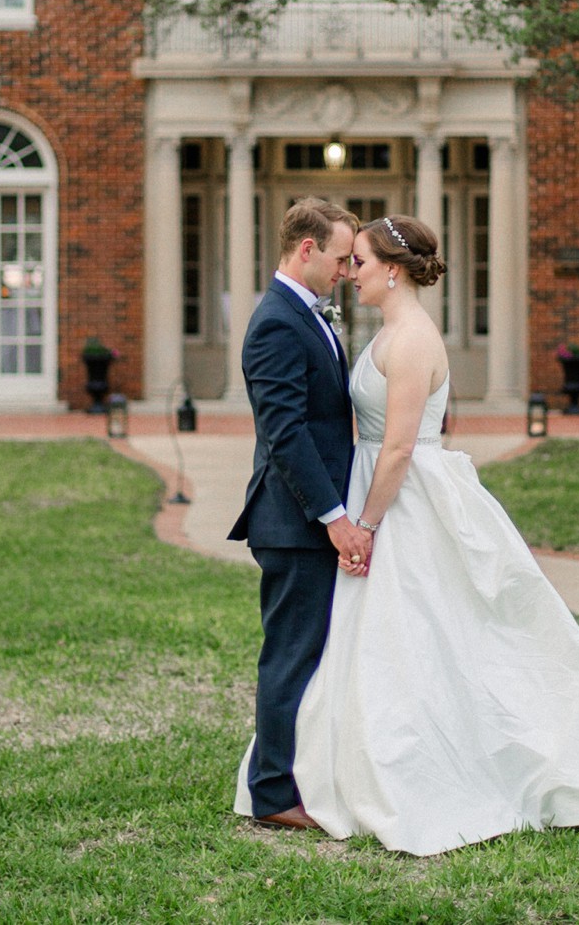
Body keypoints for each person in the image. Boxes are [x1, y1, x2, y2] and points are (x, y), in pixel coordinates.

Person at [270, 213, 579, 856]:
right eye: (348, 262)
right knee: (405, 638)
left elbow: (402, 446)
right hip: (382, 488)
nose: (352, 273)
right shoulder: (392, 330)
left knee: (445, 632)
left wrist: (367, 526)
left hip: (404, 501)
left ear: (395, 270)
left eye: (363, 263)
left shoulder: (410, 340)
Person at [227, 198, 369, 830]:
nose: (345, 270)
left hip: (308, 520)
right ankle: (273, 793)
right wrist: (334, 516)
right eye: (340, 258)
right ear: (306, 250)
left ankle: (296, 774)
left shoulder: (305, 313)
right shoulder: (277, 322)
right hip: (293, 521)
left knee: (308, 652)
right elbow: (285, 433)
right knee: (289, 654)